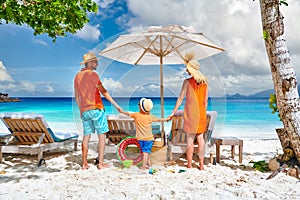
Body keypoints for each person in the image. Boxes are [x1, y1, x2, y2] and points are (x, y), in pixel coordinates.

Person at [74, 52, 122, 170]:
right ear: (89, 63)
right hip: (96, 108)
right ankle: (100, 163)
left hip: (85, 110)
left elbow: (77, 96)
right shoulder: (93, 75)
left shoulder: (77, 76)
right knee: (102, 136)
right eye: (95, 61)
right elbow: (104, 92)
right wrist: (116, 106)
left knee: (86, 136)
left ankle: (84, 164)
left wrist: (81, 109)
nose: (97, 63)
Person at [168, 52, 208, 170]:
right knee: (200, 139)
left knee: (190, 139)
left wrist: (173, 112)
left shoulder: (187, 82)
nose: (187, 71)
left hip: (190, 113)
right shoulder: (205, 83)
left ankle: (190, 164)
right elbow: (205, 101)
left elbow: (180, 99)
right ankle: (201, 164)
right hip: (201, 113)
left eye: (188, 69)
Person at [120, 98, 170, 170]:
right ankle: (149, 165)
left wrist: (122, 111)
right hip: (148, 138)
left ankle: (143, 167)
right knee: (146, 152)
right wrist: (166, 119)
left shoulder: (136, 115)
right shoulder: (150, 117)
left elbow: (128, 113)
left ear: (140, 107)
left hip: (140, 138)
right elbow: (159, 119)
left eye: (138, 104)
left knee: (145, 152)